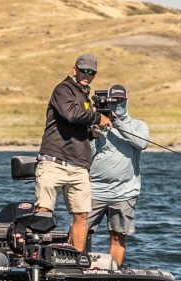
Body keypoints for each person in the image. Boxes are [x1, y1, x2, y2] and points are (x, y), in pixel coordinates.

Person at [35, 54, 112, 252]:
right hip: (54, 160)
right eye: (83, 71)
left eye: (91, 72)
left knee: (82, 215)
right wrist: (98, 117)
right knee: (44, 210)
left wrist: (92, 133)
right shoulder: (63, 89)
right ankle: (37, 257)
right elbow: (71, 114)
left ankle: (77, 257)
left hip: (79, 165)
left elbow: (79, 126)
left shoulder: (85, 97)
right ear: (74, 70)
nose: (87, 75)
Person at [87, 84, 149, 266]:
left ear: (127, 101)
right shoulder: (97, 123)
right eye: (114, 101)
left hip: (124, 193)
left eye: (121, 100)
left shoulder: (137, 125)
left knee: (117, 237)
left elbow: (142, 143)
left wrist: (117, 123)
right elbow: (86, 154)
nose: (117, 104)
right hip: (94, 190)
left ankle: (113, 272)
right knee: (80, 230)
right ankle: (75, 268)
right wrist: (93, 133)